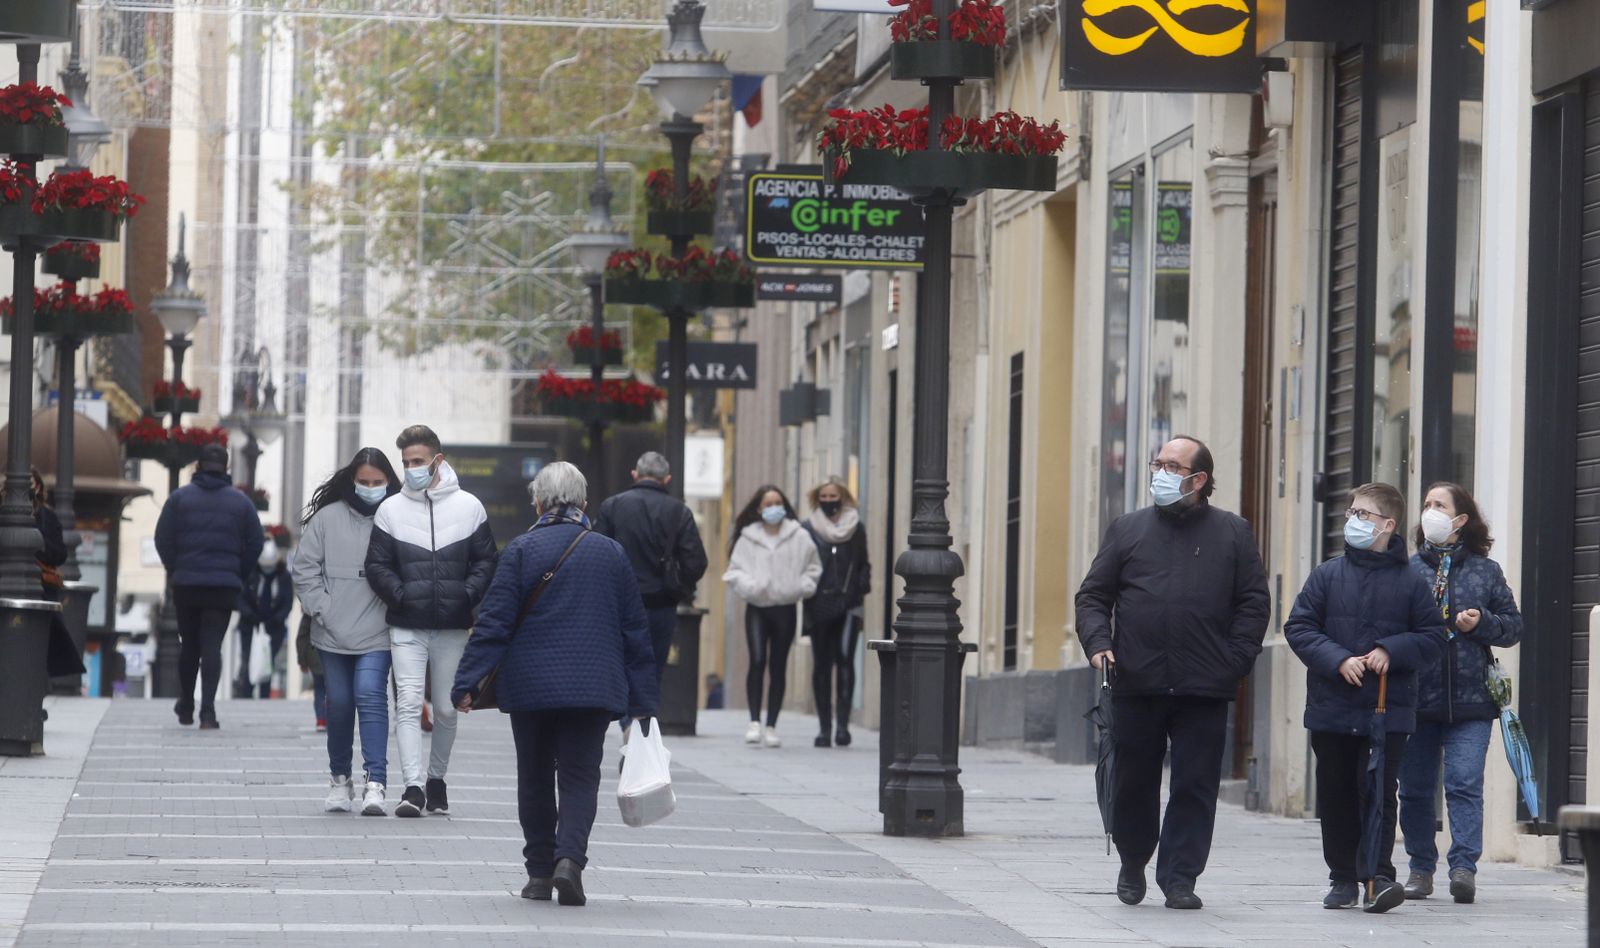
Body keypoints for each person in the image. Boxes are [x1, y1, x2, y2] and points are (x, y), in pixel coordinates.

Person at [1075, 436, 1269, 911]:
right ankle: (1132, 860)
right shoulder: (1127, 529)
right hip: (1136, 681)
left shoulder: (1233, 532)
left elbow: (1253, 603)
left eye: (1171, 465)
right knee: (1133, 780)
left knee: (1195, 785)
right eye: (1156, 462)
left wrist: (1236, 659)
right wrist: (1099, 644)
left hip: (1204, 686)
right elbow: (1093, 596)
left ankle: (1180, 876)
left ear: (1198, 480)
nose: (1159, 471)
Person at [451, 462, 656, 907]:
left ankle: (539, 874)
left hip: (531, 690)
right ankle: (570, 862)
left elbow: (494, 624)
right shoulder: (610, 553)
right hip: (594, 687)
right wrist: (642, 703)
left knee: (536, 777)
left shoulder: (521, 550)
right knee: (581, 777)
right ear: (583, 503)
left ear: (539, 502)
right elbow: (634, 633)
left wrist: (467, 682)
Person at [1284, 482, 1447, 914]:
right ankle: (1342, 878)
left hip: (1385, 709)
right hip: (1331, 706)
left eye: (1363, 514)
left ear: (1388, 525)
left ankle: (1377, 875)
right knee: (1336, 792)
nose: (1352, 521)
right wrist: (1337, 659)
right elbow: (1299, 627)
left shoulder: (1412, 582)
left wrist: (1390, 650)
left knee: (1377, 791)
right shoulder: (1326, 575)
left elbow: (1433, 638)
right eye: (1351, 512)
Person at [1398, 482, 1523, 905]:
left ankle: (1464, 868)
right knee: (1414, 788)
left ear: (1460, 519)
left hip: (1471, 700)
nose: (1429, 511)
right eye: (1427, 504)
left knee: (1464, 783)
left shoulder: (1486, 571)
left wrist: (1481, 622)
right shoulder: (1408, 569)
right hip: (1416, 699)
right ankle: (1419, 868)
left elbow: (1512, 626)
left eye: (1439, 505)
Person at [366, 425, 497, 818]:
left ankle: (437, 779)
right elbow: (376, 565)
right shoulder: (390, 510)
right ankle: (413, 787)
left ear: (438, 460)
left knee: (445, 708)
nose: (410, 469)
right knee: (407, 702)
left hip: (453, 625)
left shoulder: (469, 507)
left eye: (417, 461)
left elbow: (487, 561)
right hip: (406, 624)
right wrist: (402, 594)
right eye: (405, 463)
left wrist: (466, 594)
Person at [295, 447, 402, 815]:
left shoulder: (399, 516)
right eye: (364, 482)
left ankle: (377, 782)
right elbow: (305, 570)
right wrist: (323, 608)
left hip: (379, 629)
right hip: (332, 631)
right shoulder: (326, 520)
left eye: (378, 482)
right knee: (338, 703)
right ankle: (340, 779)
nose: (371, 488)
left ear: (389, 481)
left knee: (370, 694)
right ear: (352, 481)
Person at [154, 443, 266, 730]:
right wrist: (237, 572)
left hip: (187, 585)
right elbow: (255, 542)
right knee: (212, 645)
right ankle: (208, 712)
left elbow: (162, 538)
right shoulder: (241, 503)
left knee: (189, 644)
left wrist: (175, 568)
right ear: (226, 467)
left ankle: (186, 704)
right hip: (223, 586)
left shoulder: (179, 499)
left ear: (198, 465)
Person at [593, 451, 709, 686]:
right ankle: (643, 717)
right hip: (661, 603)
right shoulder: (679, 512)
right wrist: (679, 587)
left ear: (635, 474)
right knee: (653, 668)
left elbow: (596, 553)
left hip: (620, 603)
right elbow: (696, 561)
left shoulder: (612, 507)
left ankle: (627, 717)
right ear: (667, 479)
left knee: (621, 663)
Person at [723, 485, 820, 749]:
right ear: (759, 508)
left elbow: (813, 569)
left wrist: (799, 587)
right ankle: (754, 721)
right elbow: (733, 572)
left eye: (778, 502)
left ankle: (772, 725)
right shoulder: (748, 537)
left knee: (778, 665)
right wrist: (751, 586)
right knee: (757, 660)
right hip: (757, 606)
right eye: (768, 503)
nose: (773, 507)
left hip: (785, 607)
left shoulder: (798, 535)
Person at [800, 477, 871, 748]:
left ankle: (842, 725)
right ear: (817, 499)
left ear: (843, 497)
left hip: (849, 603)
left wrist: (861, 586)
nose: (829, 501)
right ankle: (824, 727)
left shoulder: (856, 528)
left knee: (845, 659)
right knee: (821, 665)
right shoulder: (808, 529)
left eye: (834, 496)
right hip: (819, 603)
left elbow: (864, 563)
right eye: (824, 497)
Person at [235, 544, 293, 699]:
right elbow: (240, 597)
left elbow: (287, 602)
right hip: (250, 625)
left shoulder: (284, 577)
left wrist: (277, 619)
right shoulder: (250, 573)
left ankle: (264, 696)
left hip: (273, 628)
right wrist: (250, 615)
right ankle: (245, 694)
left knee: (268, 663)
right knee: (248, 660)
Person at [294, 614, 327, 731]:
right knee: (332, 689)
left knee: (319, 689)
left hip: (314, 656)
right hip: (332, 656)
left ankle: (321, 720)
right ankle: (329, 718)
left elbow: (301, 637)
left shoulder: (310, 612)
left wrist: (302, 661)